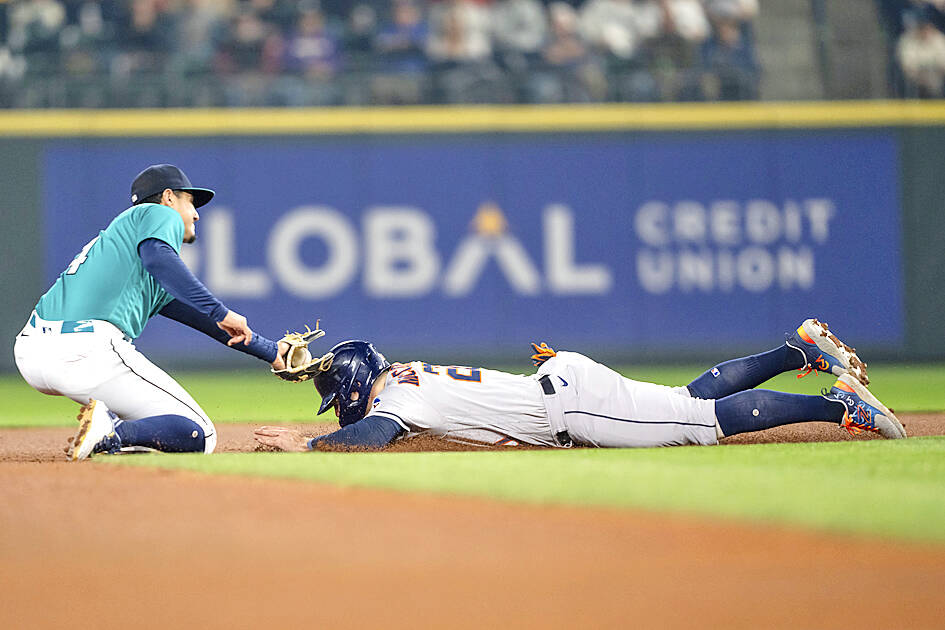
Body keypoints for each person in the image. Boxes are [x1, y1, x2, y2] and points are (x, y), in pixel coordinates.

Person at [253, 318, 906, 452]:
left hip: (572, 406)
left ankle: (836, 405)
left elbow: (369, 433)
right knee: (689, 399)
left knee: (697, 421)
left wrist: (307, 447)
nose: (334, 407)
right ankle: (799, 349)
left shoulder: (394, 398)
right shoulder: (403, 373)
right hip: (561, 379)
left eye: (334, 394)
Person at [13, 164, 290, 460]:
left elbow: (205, 321)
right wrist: (219, 310)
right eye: (190, 201)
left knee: (163, 428)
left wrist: (271, 352)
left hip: (32, 353)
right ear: (169, 197)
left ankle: (111, 437)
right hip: (84, 350)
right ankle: (111, 432)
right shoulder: (158, 214)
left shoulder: (126, 253)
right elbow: (160, 257)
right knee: (200, 434)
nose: (196, 214)